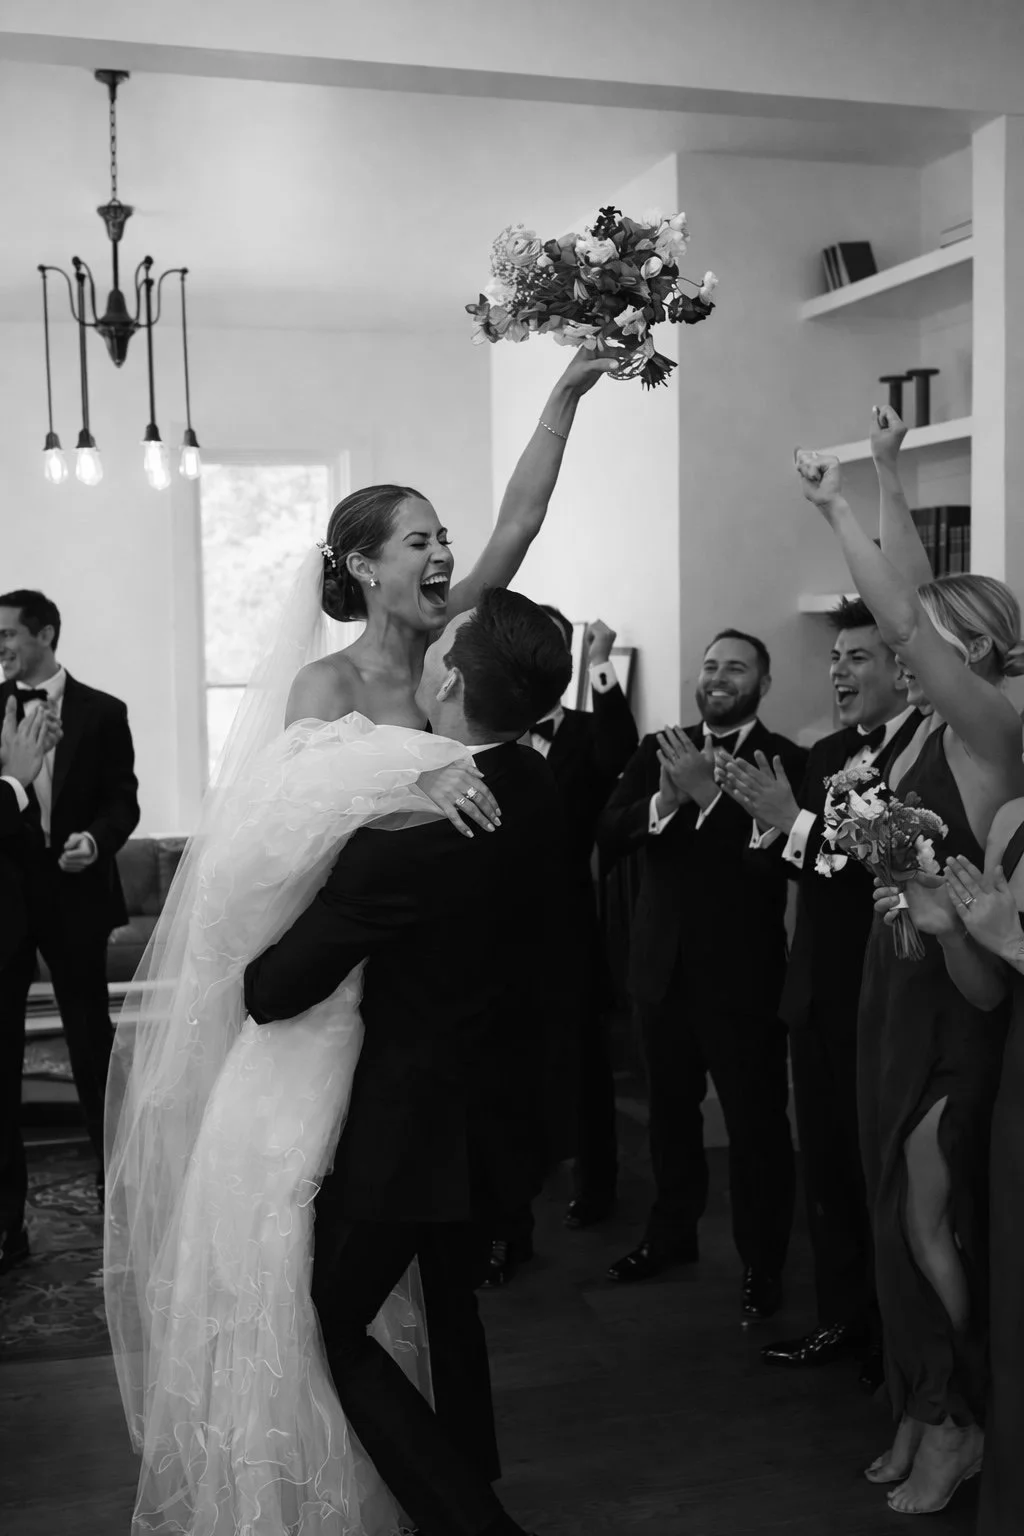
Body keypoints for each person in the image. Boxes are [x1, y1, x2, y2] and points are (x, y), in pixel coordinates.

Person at [104, 347, 611, 1535]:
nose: (444, 556)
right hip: (351, 995)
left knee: (439, 1282)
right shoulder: (326, 693)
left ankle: (456, 1480)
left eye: (446, 538)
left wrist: (561, 402)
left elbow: (524, 520)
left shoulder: (464, 647)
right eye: (419, 541)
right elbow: (284, 860)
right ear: (360, 568)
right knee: (351, 1268)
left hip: (445, 1000)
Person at [244, 590, 569, 1536]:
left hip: (417, 1126)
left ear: (455, 680)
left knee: (330, 1326)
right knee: (447, 1294)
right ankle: (474, 1470)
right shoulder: (536, 780)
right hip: (503, 1109)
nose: (426, 651)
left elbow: (275, 990)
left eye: (442, 649)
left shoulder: (416, 836)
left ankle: (471, 1519)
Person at [795, 406, 1024, 1516]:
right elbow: (911, 590)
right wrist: (888, 472)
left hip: (954, 997)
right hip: (894, 988)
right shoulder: (928, 733)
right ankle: (918, 1395)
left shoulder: (987, 735)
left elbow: (907, 607)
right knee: (890, 1206)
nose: (901, 660)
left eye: (923, 650)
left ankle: (958, 1417)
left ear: (970, 654)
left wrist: (837, 499)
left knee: (928, 1216)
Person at [724, 597, 919, 1389]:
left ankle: (895, 1337)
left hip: (883, 993)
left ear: (904, 670)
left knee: (882, 1175)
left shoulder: (916, 756)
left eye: (858, 658)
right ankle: (841, 1318)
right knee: (829, 1174)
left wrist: (793, 823)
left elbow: (878, 873)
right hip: (816, 991)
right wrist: (764, 822)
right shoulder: (829, 750)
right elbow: (792, 872)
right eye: (834, 658)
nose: (839, 672)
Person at [598, 630, 805, 1317]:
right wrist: (667, 801)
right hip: (661, 972)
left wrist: (711, 801)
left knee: (755, 1128)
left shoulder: (787, 762)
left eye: (736, 668)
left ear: (763, 684)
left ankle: (762, 1264)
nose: (718, 677)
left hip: (742, 982)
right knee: (669, 1118)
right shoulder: (660, 747)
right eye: (711, 665)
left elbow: (768, 866)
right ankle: (670, 1235)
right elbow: (612, 830)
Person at [871, 816, 1024, 1535]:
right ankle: (943, 1408)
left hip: (971, 1060)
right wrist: (952, 930)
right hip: (991, 1054)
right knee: (923, 1230)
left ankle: (953, 1417)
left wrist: (1007, 940)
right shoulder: (1011, 820)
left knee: (931, 1229)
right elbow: (990, 987)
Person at [479, 610, 639, 1288]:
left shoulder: (581, 734)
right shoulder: (478, 732)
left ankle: (594, 1188)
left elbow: (619, 753)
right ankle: (503, 1227)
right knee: (498, 1076)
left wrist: (600, 664)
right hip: (488, 929)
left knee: (583, 1067)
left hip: (566, 927)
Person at [0, 589, 139, 1262]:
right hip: (8, 902)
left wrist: (94, 839)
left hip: (77, 894)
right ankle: (8, 1216)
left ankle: (116, 1176)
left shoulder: (104, 711)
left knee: (92, 1041)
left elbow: (124, 800)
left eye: (8, 634)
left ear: (45, 634)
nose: (0, 646)